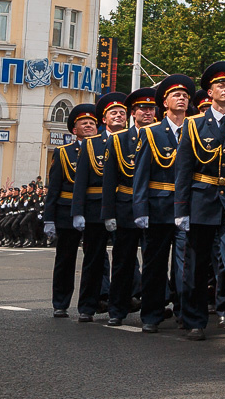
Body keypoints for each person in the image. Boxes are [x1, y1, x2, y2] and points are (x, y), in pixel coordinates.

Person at [175, 61, 225, 339]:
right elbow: (184, 169)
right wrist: (182, 208)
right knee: (197, 263)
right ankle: (194, 320)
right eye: (220, 86)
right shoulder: (195, 124)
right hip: (202, 199)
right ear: (210, 92)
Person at [131, 77, 188, 331]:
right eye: (176, 95)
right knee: (155, 264)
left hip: (186, 206)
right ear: (164, 103)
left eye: (185, 95)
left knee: (186, 264)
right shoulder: (151, 133)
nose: (182, 98)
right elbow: (141, 175)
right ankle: (151, 314)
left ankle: (185, 311)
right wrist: (141, 209)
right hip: (159, 207)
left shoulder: (195, 129)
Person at [98, 88, 155, 326]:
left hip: (154, 206)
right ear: (133, 113)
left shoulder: (161, 135)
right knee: (123, 261)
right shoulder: (120, 139)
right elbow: (109, 179)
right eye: (143, 109)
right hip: (126, 205)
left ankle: (153, 310)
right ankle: (117, 309)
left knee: (154, 261)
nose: (148, 112)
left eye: (152, 109)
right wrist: (108, 213)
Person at [69, 92, 128, 320]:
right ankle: (87, 307)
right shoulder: (93, 144)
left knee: (123, 260)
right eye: (113, 112)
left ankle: (117, 309)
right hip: (95, 208)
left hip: (123, 206)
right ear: (104, 119)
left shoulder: (133, 139)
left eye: (122, 113)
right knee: (93, 260)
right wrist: (77, 211)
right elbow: (81, 180)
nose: (119, 116)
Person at [44, 103, 98, 316]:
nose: (88, 125)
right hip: (66, 211)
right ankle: (60, 303)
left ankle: (88, 306)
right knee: (65, 259)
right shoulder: (64, 153)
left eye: (92, 123)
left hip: (93, 210)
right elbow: (54, 188)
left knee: (93, 260)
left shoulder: (106, 150)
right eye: (83, 123)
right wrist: (49, 218)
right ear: (74, 130)